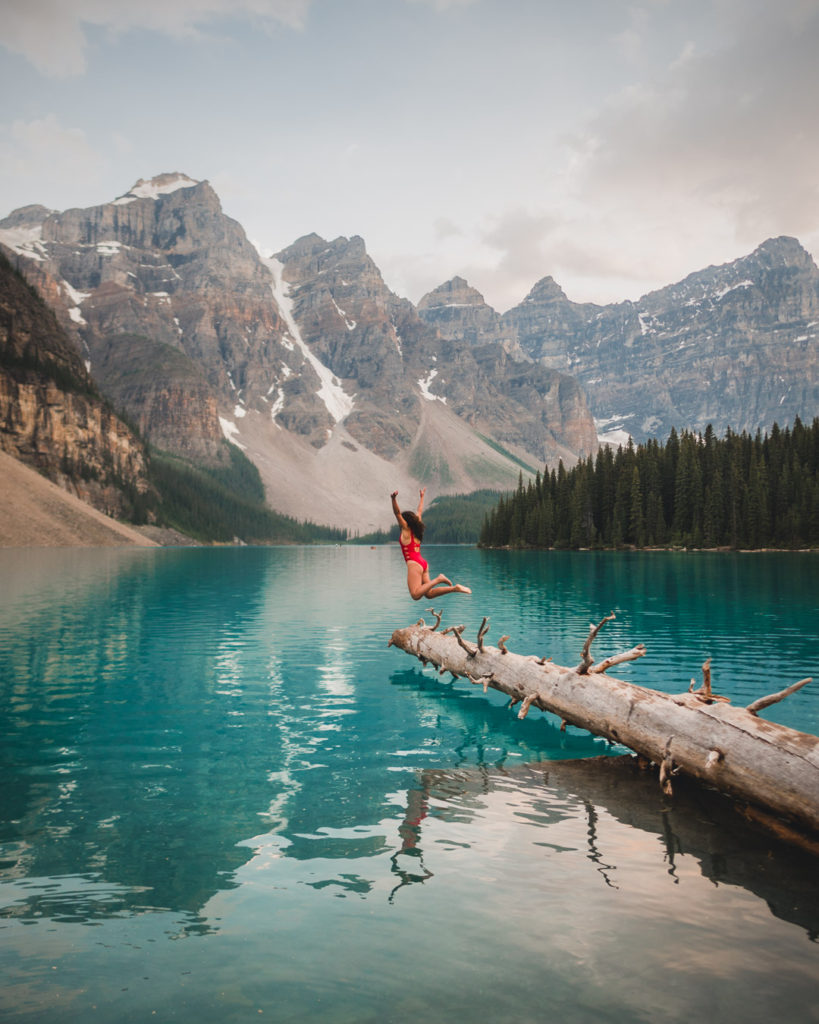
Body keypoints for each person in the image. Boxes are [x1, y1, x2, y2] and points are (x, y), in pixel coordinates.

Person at [391, 488, 471, 600]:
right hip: (423, 563)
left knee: (415, 595)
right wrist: (422, 497)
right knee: (429, 594)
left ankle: (438, 579)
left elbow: (397, 513)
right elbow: (419, 511)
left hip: (414, 563)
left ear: (405, 522)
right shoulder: (417, 528)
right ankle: (454, 588)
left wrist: (393, 499)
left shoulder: (406, 530)